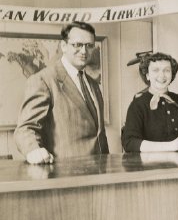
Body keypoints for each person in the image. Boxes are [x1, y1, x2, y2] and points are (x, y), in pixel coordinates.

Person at [14, 21, 109, 164]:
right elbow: (25, 129)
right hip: (64, 174)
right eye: (77, 45)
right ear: (63, 46)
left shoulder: (93, 84)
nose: (84, 51)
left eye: (89, 46)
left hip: (100, 173)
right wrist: (33, 150)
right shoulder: (43, 80)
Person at [122, 52, 178, 152]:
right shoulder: (138, 104)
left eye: (167, 70)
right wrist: (172, 146)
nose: (161, 75)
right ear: (147, 75)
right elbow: (129, 143)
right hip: (150, 166)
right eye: (155, 70)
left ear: (172, 75)